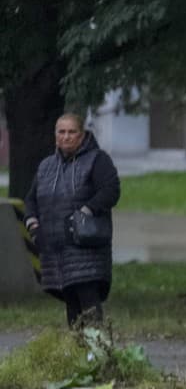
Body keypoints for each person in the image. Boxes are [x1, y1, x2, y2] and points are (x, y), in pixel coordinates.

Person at [22, 113, 121, 329]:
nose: (66, 137)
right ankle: (80, 357)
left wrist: (85, 211)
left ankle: (98, 354)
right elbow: (31, 200)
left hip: (86, 249)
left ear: (82, 134)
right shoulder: (46, 166)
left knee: (89, 305)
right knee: (72, 308)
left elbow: (111, 190)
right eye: (61, 132)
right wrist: (33, 225)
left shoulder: (97, 159)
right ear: (55, 136)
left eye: (72, 132)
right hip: (56, 251)